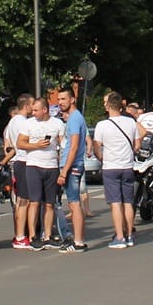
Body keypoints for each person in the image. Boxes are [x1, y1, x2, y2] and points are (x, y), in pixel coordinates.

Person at [93, 91, 138, 248]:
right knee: (128, 202)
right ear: (121, 106)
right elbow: (137, 144)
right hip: (127, 166)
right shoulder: (131, 122)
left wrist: (102, 158)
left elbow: (96, 147)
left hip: (110, 166)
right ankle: (130, 235)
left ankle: (119, 237)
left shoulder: (102, 125)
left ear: (107, 106)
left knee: (115, 203)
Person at [18, 95, 64, 249]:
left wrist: (62, 154)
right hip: (34, 166)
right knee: (34, 202)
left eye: (36, 110)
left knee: (49, 203)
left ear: (45, 110)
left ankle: (47, 235)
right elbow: (20, 143)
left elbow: (63, 142)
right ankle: (33, 236)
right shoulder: (28, 124)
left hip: (51, 166)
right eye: (32, 110)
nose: (33, 113)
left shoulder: (57, 123)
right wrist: (36, 145)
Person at [56, 88, 89, 252]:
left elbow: (74, 146)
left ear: (72, 99)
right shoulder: (74, 118)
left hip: (73, 166)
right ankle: (78, 240)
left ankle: (78, 242)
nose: (60, 102)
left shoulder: (75, 118)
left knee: (74, 204)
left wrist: (64, 171)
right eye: (59, 99)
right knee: (73, 203)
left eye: (63, 99)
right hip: (73, 165)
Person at [3, 96, 32, 247]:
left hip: (17, 161)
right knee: (24, 200)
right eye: (32, 105)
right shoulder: (23, 122)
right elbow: (24, 143)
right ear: (26, 106)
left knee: (21, 200)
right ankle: (21, 236)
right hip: (23, 161)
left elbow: (8, 144)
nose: (34, 108)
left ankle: (21, 234)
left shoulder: (12, 122)